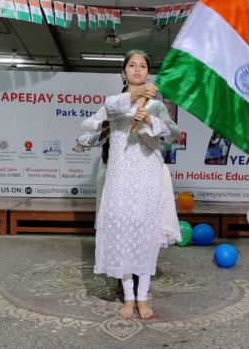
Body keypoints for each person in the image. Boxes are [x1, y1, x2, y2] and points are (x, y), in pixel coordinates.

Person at [93, 49, 181, 319]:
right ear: (123, 72)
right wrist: (108, 123)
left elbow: (174, 133)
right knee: (122, 234)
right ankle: (128, 297)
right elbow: (90, 125)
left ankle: (142, 297)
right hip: (120, 177)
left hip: (148, 177)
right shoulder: (114, 103)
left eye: (142, 65)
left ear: (147, 72)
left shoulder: (155, 105)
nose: (137, 70)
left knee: (145, 236)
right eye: (132, 65)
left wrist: (151, 120)